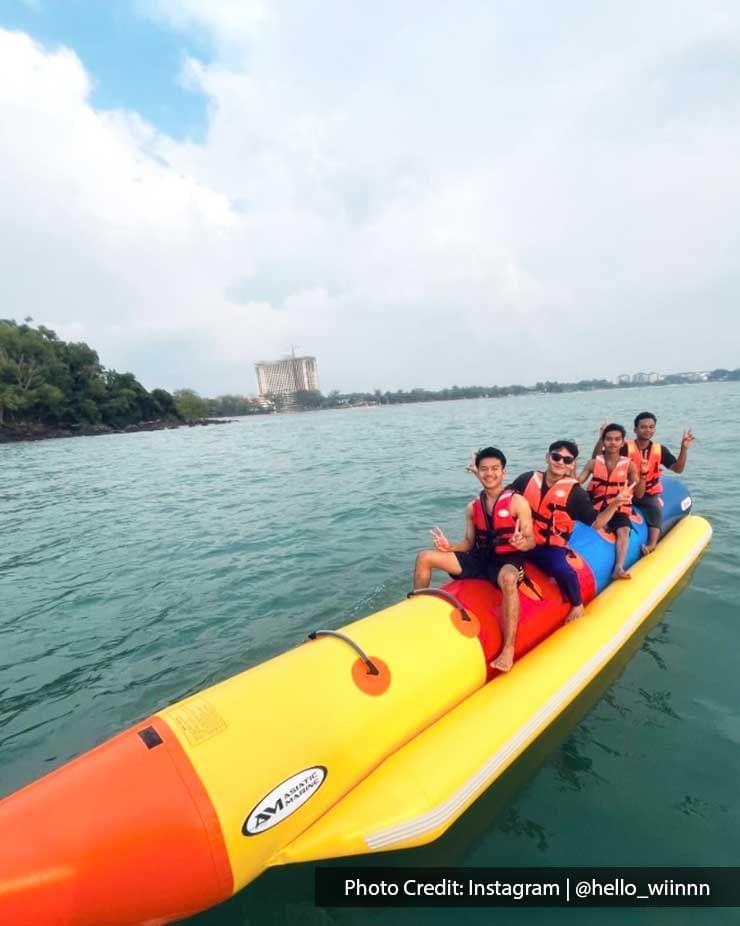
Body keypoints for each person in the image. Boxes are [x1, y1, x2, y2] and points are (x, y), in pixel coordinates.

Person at [413, 447, 534, 672]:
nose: (490, 474)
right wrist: (450, 547)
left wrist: (521, 542)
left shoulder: (518, 503)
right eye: (484, 469)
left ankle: (508, 648)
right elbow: (469, 542)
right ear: (478, 472)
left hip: (507, 560)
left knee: (508, 579)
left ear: (503, 472)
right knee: (425, 557)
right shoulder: (472, 507)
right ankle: (412, 612)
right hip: (480, 559)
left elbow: (531, 540)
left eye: (495, 469)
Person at [507, 440, 634, 623]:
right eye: (556, 457)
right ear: (547, 457)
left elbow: (597, 522)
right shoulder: (527, 479)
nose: (560, 462)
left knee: (562, 569)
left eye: (567, 460)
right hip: (520, 541)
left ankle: (577, 603)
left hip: (548, 547)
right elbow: (503, 500)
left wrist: (616, 503)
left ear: (572, 464)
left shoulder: (575, 493)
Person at [593, 413, 694, 555]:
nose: (647, 430)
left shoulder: (660, 450)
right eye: (643, 427)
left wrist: (684, 448)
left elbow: (678, 469)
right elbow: (598, 459)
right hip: (621, 492)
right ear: (635, 430)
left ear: (655, 429)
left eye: (651, 427)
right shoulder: (625, 447)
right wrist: (601, 438)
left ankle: (652, 544)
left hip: (646, 493)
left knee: (655, 508)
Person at [577, 423, 643, 580]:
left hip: (618, 508)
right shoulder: (593, 463)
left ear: (622, 442)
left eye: (617, 439)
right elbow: (577, 482)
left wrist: (644, 473)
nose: (613, 442)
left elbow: (638, 490)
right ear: (603, 441)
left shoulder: (629, 465)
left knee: (624, 531)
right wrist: (572, 464)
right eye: (609, 439)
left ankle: (618, 567)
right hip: (595, 506)